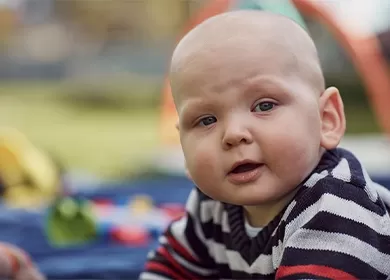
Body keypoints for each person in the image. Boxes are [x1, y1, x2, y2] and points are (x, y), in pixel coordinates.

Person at [140, 10, 390, 279]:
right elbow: (170, 270)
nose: (234, 134)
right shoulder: (211, 205)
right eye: (206, 120)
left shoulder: (336, 206)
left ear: (326, 119)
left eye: (264, 105)